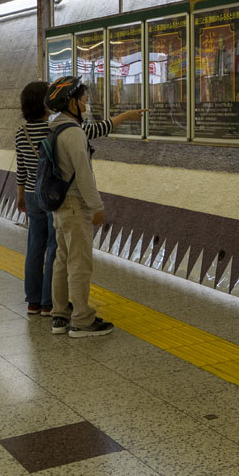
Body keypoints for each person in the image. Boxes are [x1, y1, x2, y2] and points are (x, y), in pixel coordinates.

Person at [41, 76, 143, 335]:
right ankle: (83, 321)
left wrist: (122, 117)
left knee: (61, 261)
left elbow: (98, 130)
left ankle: (60, 315)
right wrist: (96, 206)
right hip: (75, 205)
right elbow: (83, 173)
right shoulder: (73, 133)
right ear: (71, 102)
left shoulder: (57, 128)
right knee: (79, 263)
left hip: (60, 206)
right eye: (83, 96)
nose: (87, 100)